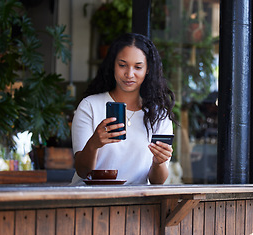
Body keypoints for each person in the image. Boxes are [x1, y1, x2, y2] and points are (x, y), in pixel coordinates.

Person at [70, 33, 176, 185]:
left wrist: (159, 162)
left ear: (148, 69)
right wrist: (93, 144)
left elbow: (157, 182)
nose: (129, 74)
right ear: (113, 65)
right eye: (122, 65)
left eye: (138, 67)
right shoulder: (90, 106)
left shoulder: (159, 115)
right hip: (89, 201)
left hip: (135, 204)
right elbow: (82, 171)